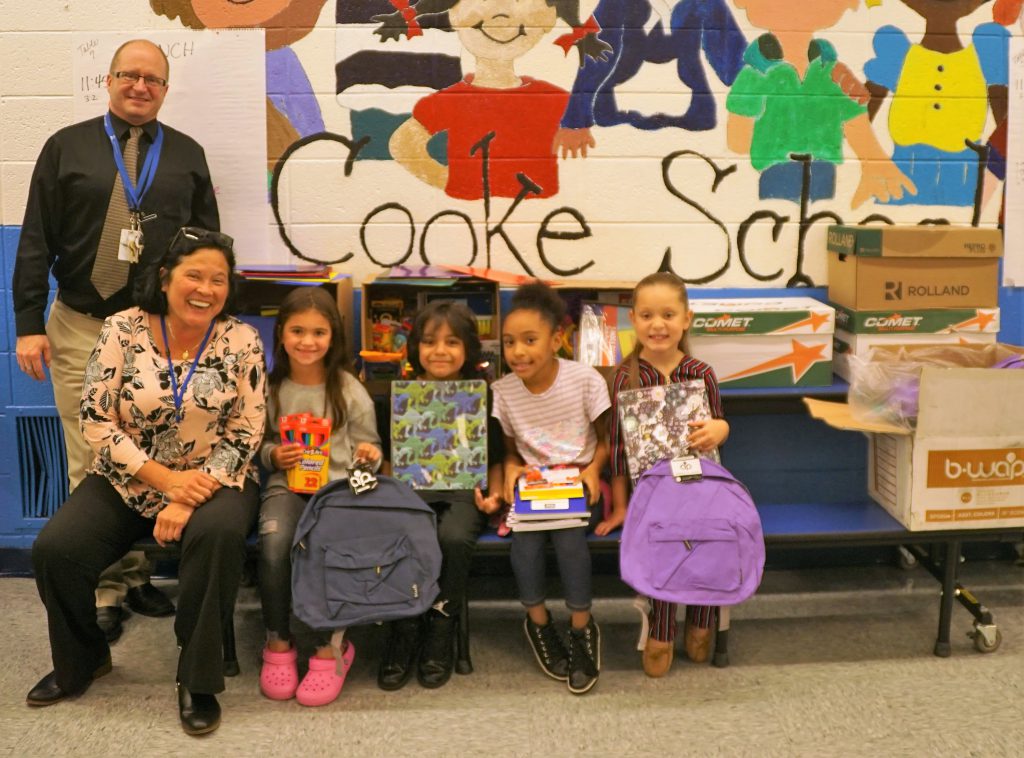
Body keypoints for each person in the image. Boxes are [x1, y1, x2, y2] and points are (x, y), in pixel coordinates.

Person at [12, 38, 219, 640]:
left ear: (164, 88)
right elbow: (34, 240)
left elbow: (206, 246)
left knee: (156, 452)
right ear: (109, 80)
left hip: (156, 331)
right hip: (80, 324)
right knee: (92, 455)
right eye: (129, 75)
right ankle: (106, 584)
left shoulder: (186, 155)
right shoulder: (65, 147)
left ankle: (135, 574)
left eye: (152, 79)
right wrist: (27, 323)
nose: (140, 87)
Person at [27, 227, 266, 737]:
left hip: (215, 479)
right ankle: (83, 660)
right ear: (165, 277)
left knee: (218, 535)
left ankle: (197, 681)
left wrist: (187, 493)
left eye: (218, 279)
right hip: (128, 476)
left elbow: (247, 429)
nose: (206, 288)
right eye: (194, 275)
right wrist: (164, 482)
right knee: (56, 548)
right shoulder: (121, 329)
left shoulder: (241, 340)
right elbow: (96, 421)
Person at [257, 287, 383, 707]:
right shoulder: (268, 388)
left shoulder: (348, 389)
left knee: (331, 547)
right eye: (297, 331)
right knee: (275, 544)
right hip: (287, 486)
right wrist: (274, 453)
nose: (307, 341)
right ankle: (278, 642)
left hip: (340, 488)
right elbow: (255, 446)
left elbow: (372, 451)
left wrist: (369, 455)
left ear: (333, 338)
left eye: (318, 332)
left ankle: (331, 648)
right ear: (281, 334)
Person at [606, 272, 729, 677]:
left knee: (706, 547)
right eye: (646, 315)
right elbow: (619, 450)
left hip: (701, 487)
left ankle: (702, 619)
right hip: (652, 496)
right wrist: (622, 508)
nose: (657, 324)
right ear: (634, 321)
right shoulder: (626, 377)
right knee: (663, 555)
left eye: (668, 314)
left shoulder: (701, 373)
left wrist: (719, 429)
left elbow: (720, 427)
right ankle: (660, 630)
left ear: (686, 319)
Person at [377, 301, 504, 691]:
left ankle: (440, 627)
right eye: (430, 342)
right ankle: (405, 626)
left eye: (452, 342)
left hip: (466, 492)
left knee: (450, 537)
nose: (440, 351)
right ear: (415, 348)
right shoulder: (399, 398)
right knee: (407, 534)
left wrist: (494, 495)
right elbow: (388, 458)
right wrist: (388, 494)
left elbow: (497, 458)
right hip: (412, 491)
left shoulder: (483, 397)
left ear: (468, 348)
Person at [491, 282, 610, 695]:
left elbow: (607, 439)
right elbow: (509, 451)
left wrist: (594, 470)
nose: (518, 352)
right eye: (509, 343)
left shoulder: (585, 380)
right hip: (534, 488)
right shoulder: (502, 392)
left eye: (529, 340)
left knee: (568, 538)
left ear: (556, 339)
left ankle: (581, 628)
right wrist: (509, 470)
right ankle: (539, 624)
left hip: (577, 482)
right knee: (523, 546)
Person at [382, 0, 610, 200]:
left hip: (538, 215)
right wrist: (445, 178)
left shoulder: (554, 99)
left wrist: (577, 127)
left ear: (546, 21)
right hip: (468, 216)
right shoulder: (452, 100)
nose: (502, 14)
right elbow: (403, 144)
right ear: (454, 16)